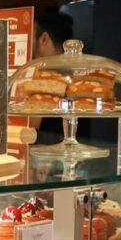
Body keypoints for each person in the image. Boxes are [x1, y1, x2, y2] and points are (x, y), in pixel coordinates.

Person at [30, 9, 74, 144]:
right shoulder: (75, 75)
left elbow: (31, 127)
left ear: (44, 38)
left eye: (31, 36)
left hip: (47, 156)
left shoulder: (45, 78)